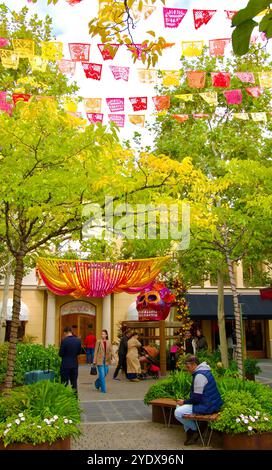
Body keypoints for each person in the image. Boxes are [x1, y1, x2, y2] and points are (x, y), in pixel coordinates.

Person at [174, 355, 223, 445]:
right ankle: (190, 433)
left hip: (208, 406)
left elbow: (196, 399)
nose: (187, 369)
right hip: (209, 403)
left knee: (177, 412)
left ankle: (195, 429)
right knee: (179, 406)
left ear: (194, 365)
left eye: (188, 367)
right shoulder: (203, 371)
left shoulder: (200, 375)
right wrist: (183, 402)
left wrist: (184, 402)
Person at [59, 326, 82, 392]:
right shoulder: (78, 341)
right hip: (74, 365)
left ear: (65, 332)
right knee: (74, 384)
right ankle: (75, 399)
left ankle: (64, 399)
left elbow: (60, 354)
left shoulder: (64, 341)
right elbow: (79, 352)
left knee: (64, 384)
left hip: (65, 365)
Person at [93, 329, 113, 393]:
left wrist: (115, 357)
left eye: (104, 334)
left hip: (106, 360)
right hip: (100, 360)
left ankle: (96, 383)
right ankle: (103, 389)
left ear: (106, 335)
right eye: (102, 334)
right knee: (102, 374)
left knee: (105, 373)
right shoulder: (98, 341)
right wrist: (94, 360)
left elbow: (111, 350)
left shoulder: (109, 342)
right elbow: (95, 351)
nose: (102, 335)